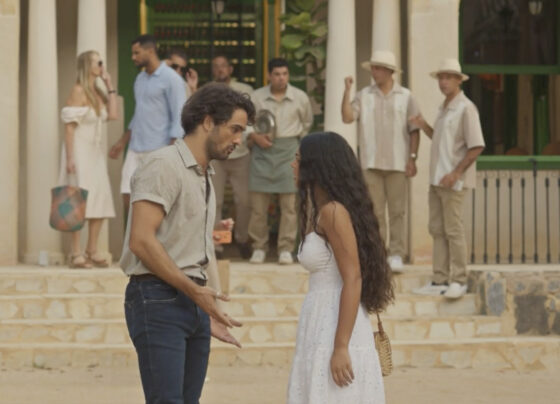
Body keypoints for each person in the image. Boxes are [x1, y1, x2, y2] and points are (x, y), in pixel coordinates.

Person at [121, 83, 255, 404]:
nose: (239, 140)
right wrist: (193, 291)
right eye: (235, 129)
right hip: (158, 297)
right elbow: (141, 240)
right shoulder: (163, 164)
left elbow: (184, 245)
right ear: (208, 121)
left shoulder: (204, 174)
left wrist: (206, 308)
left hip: (192, 302)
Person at [287, 132, 392, 404]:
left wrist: (341, 346)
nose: (292, 164)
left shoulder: (333, 212)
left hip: (336, 320)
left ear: (316, 167)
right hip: (320, 318)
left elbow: (353, 277)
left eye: (298, 159)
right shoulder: (321, 210)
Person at [410, 59, 485, 299]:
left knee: (454, 230)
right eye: (441, 77)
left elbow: (476, 146)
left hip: (454, 182)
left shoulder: (466, 108)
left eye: (448, 77)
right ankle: (440, 279)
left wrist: (455, 174)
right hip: (437, 180)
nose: (443, 82)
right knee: (438, 230)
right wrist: (424, 126)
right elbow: (442, 141)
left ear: (458, 80)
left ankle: (459, 279)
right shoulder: (444, 107)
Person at [341, 50, 421, 272]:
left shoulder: (406, 96)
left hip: (398, 162)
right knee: (373, 212)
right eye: (373, 68)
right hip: (371, 162)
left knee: (397, 211)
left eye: (377, 68)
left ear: (389, 71)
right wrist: (346, 92)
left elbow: (414, 130)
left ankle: (396, 253)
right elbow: (347, 117)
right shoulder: (363, 95)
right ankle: (379, 254)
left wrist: (412, 158)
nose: (374, 72)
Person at [109, 35, 187, 220]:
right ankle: (139, 241)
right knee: (128, 196)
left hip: (159, 149)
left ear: (150, 51)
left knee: (157, 201)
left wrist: (172, 151)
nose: (133, 57)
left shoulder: (171, 79)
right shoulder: (140, 79)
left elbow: (179, 115)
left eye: (136, 52)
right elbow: (139, 114)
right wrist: (122, 142)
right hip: (135, 148)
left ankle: (157, 243)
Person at [248, 58, 313, 265]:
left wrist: (297, 146)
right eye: (277, 74)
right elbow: (245, 123)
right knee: (258, 206)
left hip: (289, 151)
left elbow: (307, 123)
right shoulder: (256, 96)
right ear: (269, 75)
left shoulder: (300, 97)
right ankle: (258, 247)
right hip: (261, 151)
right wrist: (255, 137)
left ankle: (285, 248)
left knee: (290, 205)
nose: (281, 78)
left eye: (285, 74)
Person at [57, 50, 118, 268]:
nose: (101, 65)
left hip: (95, 153)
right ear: (87, 66)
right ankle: (76, 253)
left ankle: (92, 249)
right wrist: (70, 158)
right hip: (79, 152)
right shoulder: (78, 90)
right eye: (97, 62)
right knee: (76, 199)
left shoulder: (99, 92)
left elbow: (112, 115)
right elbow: (69, 129)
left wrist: (109, 85)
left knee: (99, 198)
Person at [211, 55, 254, 259]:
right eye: (216, 67)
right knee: (215, 201)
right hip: (216, 155)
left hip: (241, 153)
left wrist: (245, 137)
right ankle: (218, 245)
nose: (220, 70)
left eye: (223, 66)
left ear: (230, 68)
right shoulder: (208, 92)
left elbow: (253, 119)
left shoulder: (245, 90)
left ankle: (242, 239)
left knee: (244, 200)